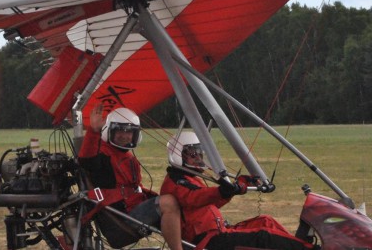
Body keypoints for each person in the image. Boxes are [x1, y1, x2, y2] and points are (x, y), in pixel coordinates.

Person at [161, 131, 315, 250]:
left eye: (200, 153)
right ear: (178, 155)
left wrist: (236, 187)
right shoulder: (175, 181)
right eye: (193, 154)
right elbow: (195, 197)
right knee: (263, 237)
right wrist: (222, 191)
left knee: (265, 220)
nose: (199, 157)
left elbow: (210, 202)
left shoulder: (191, 178)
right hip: (209, 240)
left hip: (220, 231)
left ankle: (297, 245)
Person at [78, 104, 183, 250]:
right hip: (121, 221)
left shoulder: (127, 157)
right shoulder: (102, 153)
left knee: (183, 204)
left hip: (132, 209)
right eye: (119, 131)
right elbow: (87, 161)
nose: (124, 136)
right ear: (109, 131)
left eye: (129, 132)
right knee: (168, 203)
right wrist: (93, 131)